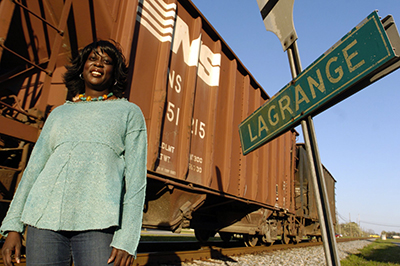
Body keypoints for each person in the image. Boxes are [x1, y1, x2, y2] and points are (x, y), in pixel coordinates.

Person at [0, 40, 147, 266]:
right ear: (82, 67)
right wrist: (13, 227)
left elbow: (136, 182)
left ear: (115, 73)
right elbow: (33, 171)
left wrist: (127, 238)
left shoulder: (128, 112)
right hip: (43, 222)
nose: (98, 64)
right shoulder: (59, 114)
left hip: (98, 225)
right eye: (92, 58)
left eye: (107, 61)